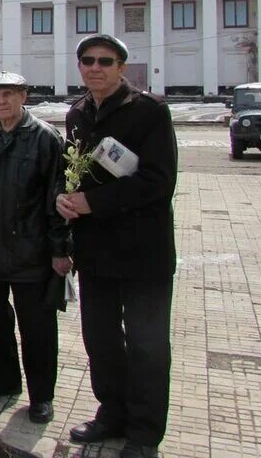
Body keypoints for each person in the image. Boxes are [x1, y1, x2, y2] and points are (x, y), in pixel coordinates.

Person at [59, 34, 177, 458]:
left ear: (122, 67)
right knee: (101, 339)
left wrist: (93, 202)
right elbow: (75, 173)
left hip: (144, 253)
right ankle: (112, 413)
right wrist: (67, 198)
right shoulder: (77, 114)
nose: (95, 67)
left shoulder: (149, 112)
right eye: (87, 60)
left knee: (147, 346)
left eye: (105, 61)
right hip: (96, 252)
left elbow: (159, 181)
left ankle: (145, 433)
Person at [0, 72, 70, 425]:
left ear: (24, 96)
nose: (1, 101)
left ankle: (41, 397)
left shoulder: (46, 139)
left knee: (37, 328)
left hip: (30, 252)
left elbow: (57, 198)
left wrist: (60, 249)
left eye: (8, 95)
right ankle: (3, 380)